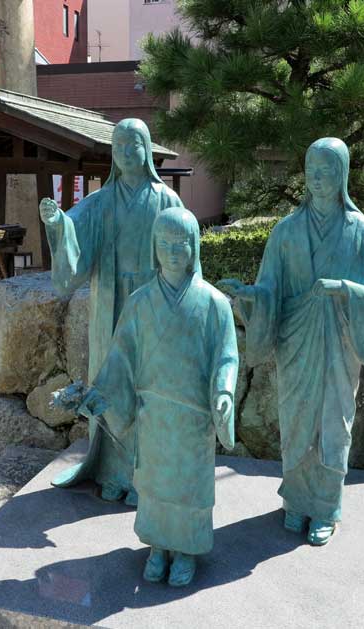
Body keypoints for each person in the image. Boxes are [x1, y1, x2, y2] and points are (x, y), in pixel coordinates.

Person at [219, 137, 364, 546]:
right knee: (295, 421)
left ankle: (326, 507)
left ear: (342, 174)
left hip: (339, 340)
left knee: (333, 423)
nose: (317, 178)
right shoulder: (286, 231)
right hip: (296, 340)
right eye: (311, 169)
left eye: (326, 169)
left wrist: (346, 289)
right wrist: (248, 294)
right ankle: (296, 501)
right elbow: (269, 289)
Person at [78, 207, 237, 587]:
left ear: (195, 246)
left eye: (181, 243)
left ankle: (185, 550)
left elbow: (227, 356)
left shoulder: (214, 303)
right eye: (164, 243)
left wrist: (225, 391)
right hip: (154, 416)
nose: (172, 251)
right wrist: (96, 395)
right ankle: (158, 547)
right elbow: (120, 358)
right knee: (154, 484)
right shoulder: (139, 302)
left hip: (192, 416)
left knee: (188, 486)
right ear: (154, 248)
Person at [39, 118, 183, 503]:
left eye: (133, 145)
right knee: (109, 383)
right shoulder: (102, 200)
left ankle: (144, 474)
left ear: (147, 150)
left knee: (146, 385)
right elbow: (74, 228)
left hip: (152, 308)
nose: (125, 152)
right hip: (110, 302)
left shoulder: (166, 200)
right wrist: (57, 224)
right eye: (118, 147)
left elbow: (184, 249)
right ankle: (112, 471)